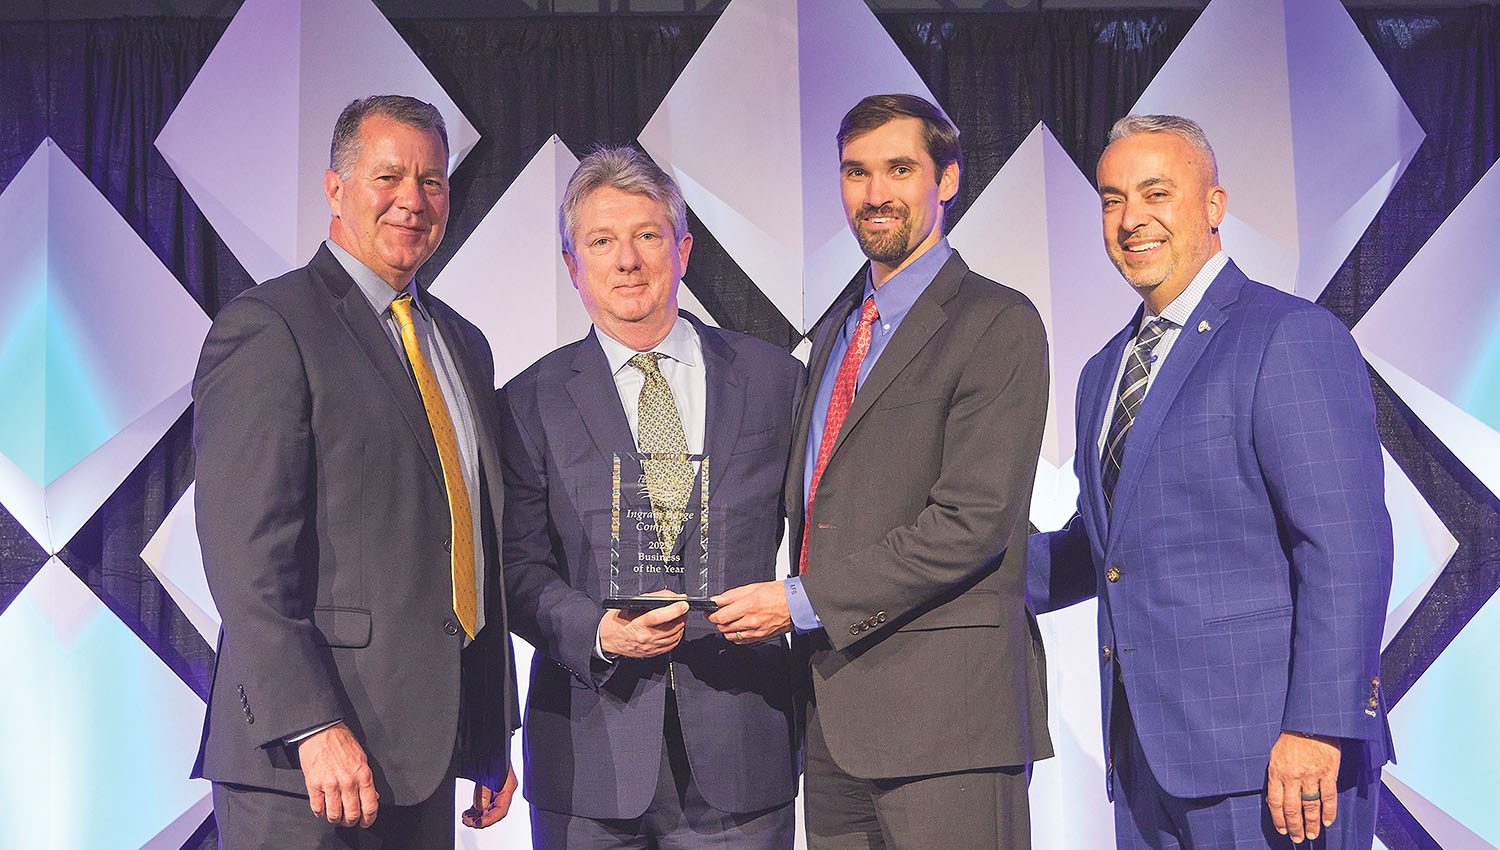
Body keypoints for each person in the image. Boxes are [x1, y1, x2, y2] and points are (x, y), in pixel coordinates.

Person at [1028, 114, 1393, 849]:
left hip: (1275, 763)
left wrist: (1315, 728)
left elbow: (1346, 549)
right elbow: (1108, 549)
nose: (1132, 219)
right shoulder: (1104, 370)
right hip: (1146, 761)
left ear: (1215, 204)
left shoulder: (1288, 336)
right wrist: (947, 575)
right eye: (1111, 199)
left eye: (1156, 192)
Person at [709, 93, 1052, 849]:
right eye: (856, 172)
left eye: (900, 169)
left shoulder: (997, 323)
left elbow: (972, 525)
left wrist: (796, 602)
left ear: (949, 179)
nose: (875, 194)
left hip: (949, 725)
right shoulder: (836, 328)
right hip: (834, 719)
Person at [191, 95, 518, 849]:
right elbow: (246, 558)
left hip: (425, 759)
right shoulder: (270, 327)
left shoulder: (462, 344)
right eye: (389, 176)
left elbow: (463, 539)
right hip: (301, 766)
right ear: (335, 189)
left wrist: (489, 725)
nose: (413, 200)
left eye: (432, 181)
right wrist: (312, 725)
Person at [497, 145, 802, 849]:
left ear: (683, 249)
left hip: (744, 754)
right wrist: (598, 632)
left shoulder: (775, 382)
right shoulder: (525, 402)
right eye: (601, 241)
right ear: (573, 265)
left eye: (647, 235)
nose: (626, 260)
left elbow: (827, 533)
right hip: (588, 761)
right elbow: (514, 569)